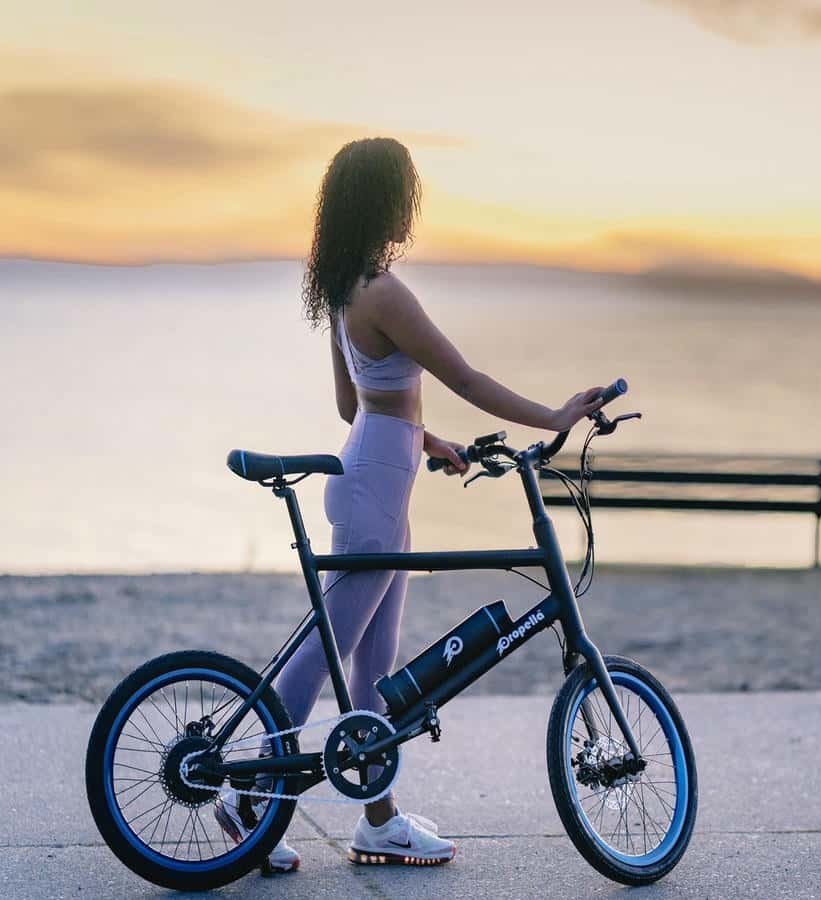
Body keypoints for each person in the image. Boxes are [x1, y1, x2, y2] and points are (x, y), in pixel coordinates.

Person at [213, 137, 605, 871]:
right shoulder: (385, 292)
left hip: (375, 474)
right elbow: (465, 376)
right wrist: (554, 417)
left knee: (371, 665)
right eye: (402, 193)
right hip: (374, 488)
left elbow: (350, 403)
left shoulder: (344, 289)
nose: (408, 206)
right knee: (321, 657)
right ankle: (250, 800)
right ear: (385, 202)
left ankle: (378, 819)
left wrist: (424, 440)